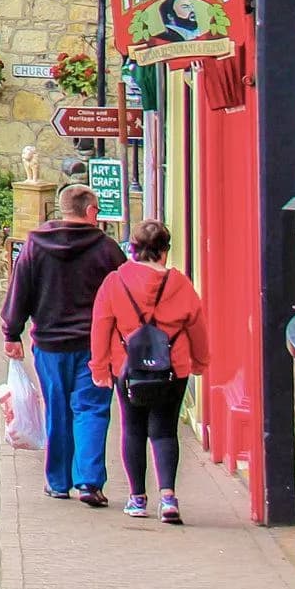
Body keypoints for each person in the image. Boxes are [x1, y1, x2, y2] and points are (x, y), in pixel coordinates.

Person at [1, 183, 127, 506]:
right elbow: (126, 294)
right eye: (96, 210)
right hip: (94, 347)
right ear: (89, 211)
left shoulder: (35, 245)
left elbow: (20, 290)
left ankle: (58, 482)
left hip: (50, 345)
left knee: (57, 409)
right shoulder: (107, 249)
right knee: (92, 409)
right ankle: (89, 482)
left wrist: (12, 333)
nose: (98, 216)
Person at [91, 220, 208, 524]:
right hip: (174, 368)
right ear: (165, 252)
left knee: (133, 429)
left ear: (133, 249)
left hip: (128, 368)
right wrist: (200, 361)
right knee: (165, 430)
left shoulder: (115, 282)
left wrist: (100, 366)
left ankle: (137, 498)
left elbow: (101, 326)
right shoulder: (180, 284)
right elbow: (197, 326)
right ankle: (168, 498)